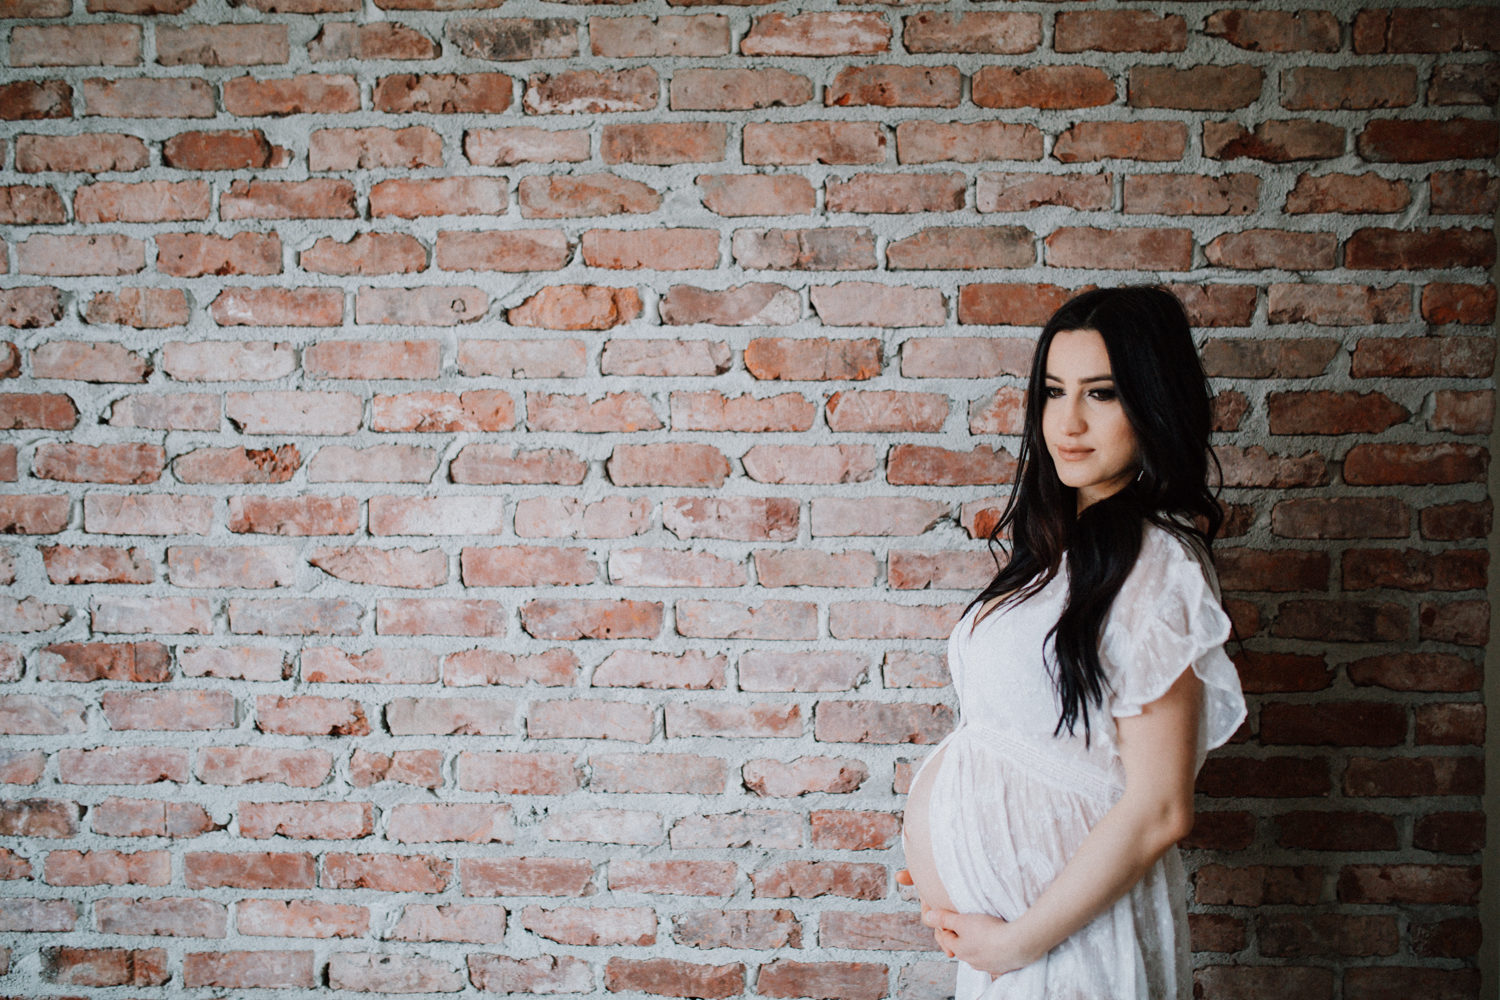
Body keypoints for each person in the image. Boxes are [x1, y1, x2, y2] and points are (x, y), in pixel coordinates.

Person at [898, 287, 1247, 999]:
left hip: (1065, 948)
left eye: (1103, 394)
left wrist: (1014, 941)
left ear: (1153, 404)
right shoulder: (1054, 557)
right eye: (1054, 392)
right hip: (1018, 949)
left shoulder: (1157, 566)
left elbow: (1159, 807)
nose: (1070, 422)